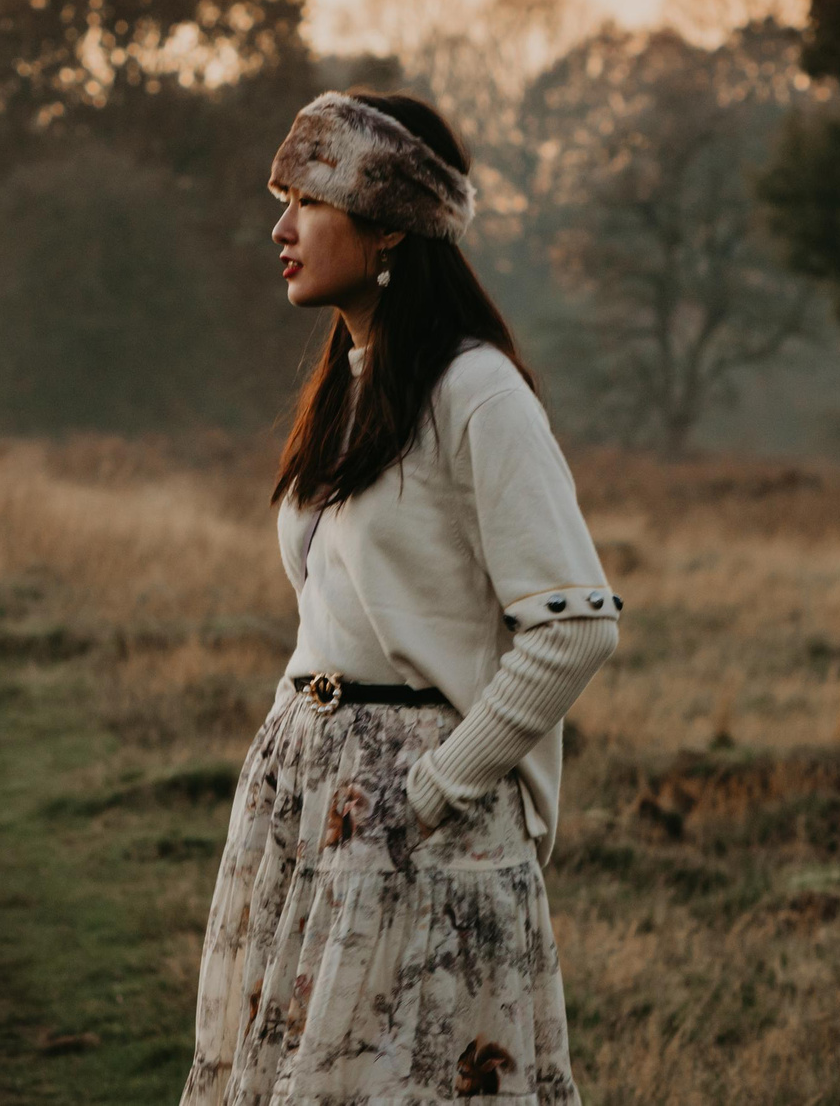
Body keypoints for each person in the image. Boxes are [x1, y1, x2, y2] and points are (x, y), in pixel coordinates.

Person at [181, 90, 621, 1106]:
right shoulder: (350, 383)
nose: (278, 229)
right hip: (309, 795)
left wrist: (431, 790)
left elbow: (574, 626)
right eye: (279, 199)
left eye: (306, 200)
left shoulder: (475, 390)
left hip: (414, 816)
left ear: (387, 225)